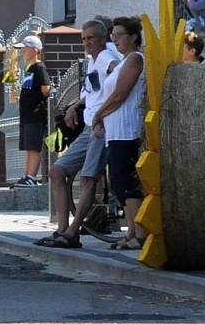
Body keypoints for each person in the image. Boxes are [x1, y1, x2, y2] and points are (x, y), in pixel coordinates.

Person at [37, 19, 119, 248]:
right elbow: (93, 91)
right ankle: (62, 229)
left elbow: (119, 74)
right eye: (83, 39)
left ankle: (72, 233)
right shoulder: (92, 62)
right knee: (56, 171)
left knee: (87, 178)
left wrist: (105, 112)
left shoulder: (105, 57)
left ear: (102, 39)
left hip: (101, 127)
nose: (86, 43)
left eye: (90, 38)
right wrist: (74, 106)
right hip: (88, 127)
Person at [93, 17, 148, 251]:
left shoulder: (135, 59)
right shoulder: (123, 60)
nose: (115, 40)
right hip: (115, 131)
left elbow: (120, 94)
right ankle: (131, 232)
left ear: (133, 36)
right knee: (119, 183)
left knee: (127, 182)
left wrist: (98, 115)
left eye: (119, 35)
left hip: (127, 129)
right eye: (112, 36)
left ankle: (139, 234)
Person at [14, 34, 51, 187]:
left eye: (25, 48)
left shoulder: (39, 68)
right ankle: (26, 175)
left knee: (34, 146)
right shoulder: (30, 69)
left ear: (35, 50)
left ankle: (32, 176)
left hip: (36, 114)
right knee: (28, 146)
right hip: (27, 115)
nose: (22, 51)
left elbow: (46, 89)